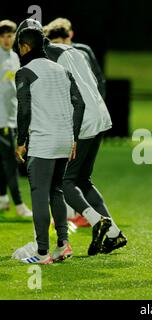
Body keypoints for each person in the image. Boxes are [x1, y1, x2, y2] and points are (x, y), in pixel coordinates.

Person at [15, 19, 127, 256]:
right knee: (83, 181)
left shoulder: (45, 57)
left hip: (82, 120)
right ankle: (115, 233)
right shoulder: (74, 49)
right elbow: (96, 81)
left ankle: (96, 220)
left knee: (65, 181)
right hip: (99, 115)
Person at [15, 27, 85, 264]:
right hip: (64, 141)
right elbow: (80, 103)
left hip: (43, 142)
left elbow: (24, 111)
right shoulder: (62, 70)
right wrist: (73, 137)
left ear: (25, 47)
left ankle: (42, 252)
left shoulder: (25, 72)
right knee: (56, 191)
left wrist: (21, 141)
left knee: (39, 194)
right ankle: (63, 245)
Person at [0, 20, 32, 216]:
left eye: (10, 35)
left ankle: (3, 198)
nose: (6, 39)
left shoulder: (15, 58)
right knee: (11, 162)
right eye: (3, 36)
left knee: (5, 161)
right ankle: (19, 205)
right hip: (2, 120)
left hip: (12, 118)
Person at [43, 17, 106, 99]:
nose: (59, 47)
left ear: (70, 35)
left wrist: (97, 102)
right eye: (54, 44)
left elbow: (98, 80)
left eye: (58, 43)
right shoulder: (47, 55)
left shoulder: (84, 52)